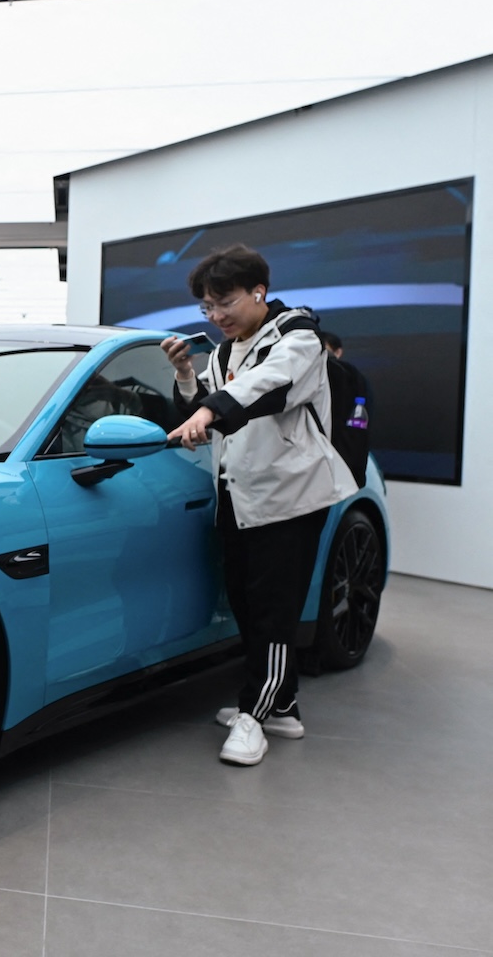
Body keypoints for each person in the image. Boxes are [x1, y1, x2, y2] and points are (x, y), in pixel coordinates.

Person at [162, 244, 357, 767]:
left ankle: (255, 714)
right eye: (206, 307)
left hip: (290, 496)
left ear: (258, 293)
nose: (215, 316)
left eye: (223, 302)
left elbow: (265, 388)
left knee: (274, 611)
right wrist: (187, 375)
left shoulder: (299, 338)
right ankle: (282, 704)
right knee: (248, 606)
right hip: (240, 493)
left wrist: (207, 410)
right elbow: (203, 402)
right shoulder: (226, 351)